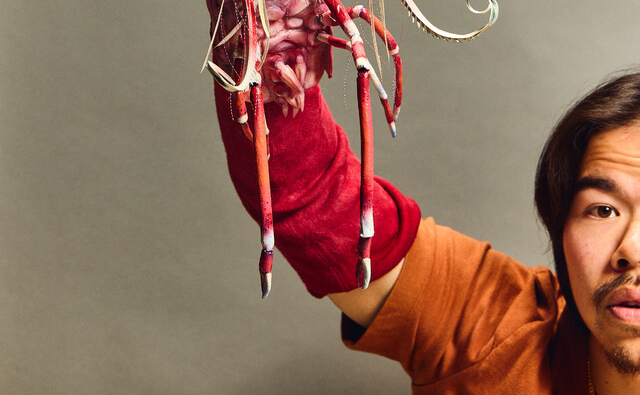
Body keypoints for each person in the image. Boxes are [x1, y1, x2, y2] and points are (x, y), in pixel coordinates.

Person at [215, 69, 640, 393]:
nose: (632, 249)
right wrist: (276, 28)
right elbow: (311, 195)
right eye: (603, 210)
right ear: (561, 227)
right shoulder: (500, 328)